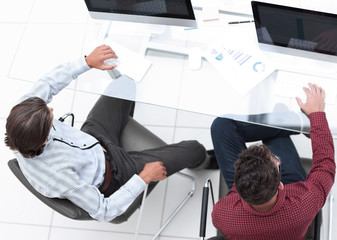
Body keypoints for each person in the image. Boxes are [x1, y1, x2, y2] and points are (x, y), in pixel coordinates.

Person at [5, 44, 208, 222]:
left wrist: (86, 62)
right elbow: (105, 211)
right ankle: (204, 163)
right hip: (115, 174)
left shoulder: (23, 113)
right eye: (50, 119)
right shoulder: (57, 175)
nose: (51, 111)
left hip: (92, 140)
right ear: (42, 140)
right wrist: (143, 178)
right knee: (194, 149)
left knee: (125, 83)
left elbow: (48, 84)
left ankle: (123, 122)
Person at [210, 83, 335, 239]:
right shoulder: (304, 202)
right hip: (289, 204)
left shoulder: (222, 215)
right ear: (280, 184)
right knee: (274, 136)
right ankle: (295, 120)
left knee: (220, 126)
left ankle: (291, 120)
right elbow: (325, 165)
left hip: (249, 195)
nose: (276, 159)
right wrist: (317, 114)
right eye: (275, 161)